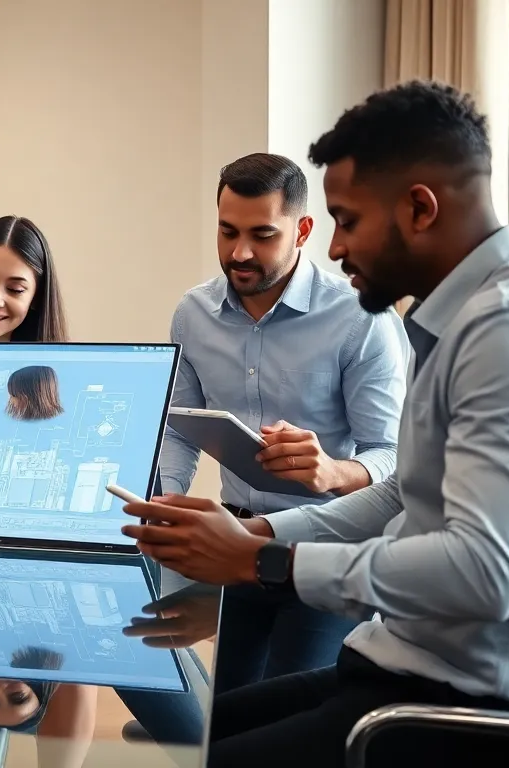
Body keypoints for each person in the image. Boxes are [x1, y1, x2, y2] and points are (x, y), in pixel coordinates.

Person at [123, 81, 509, 767]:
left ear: (418, 208)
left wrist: (265, 561)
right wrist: (256, 533)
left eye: (347, 220)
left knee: (187, 757)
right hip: (413, 670)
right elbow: (400, 495)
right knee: (183, 741)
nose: (333, 249)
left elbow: (485, 570)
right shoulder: (462, 322)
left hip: (488, 709)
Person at [156, 152, 408, 690]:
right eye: (226, 232)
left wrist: (332, 473)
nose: (239, 252)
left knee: (287, 715)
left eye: (262, 235)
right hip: (237, 542)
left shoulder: (362, 318)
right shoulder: (192, 314)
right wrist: (165, 499)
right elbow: (177, 426)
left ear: (303, 231)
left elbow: (394, 456)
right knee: (225, 724)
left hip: (328, 553)